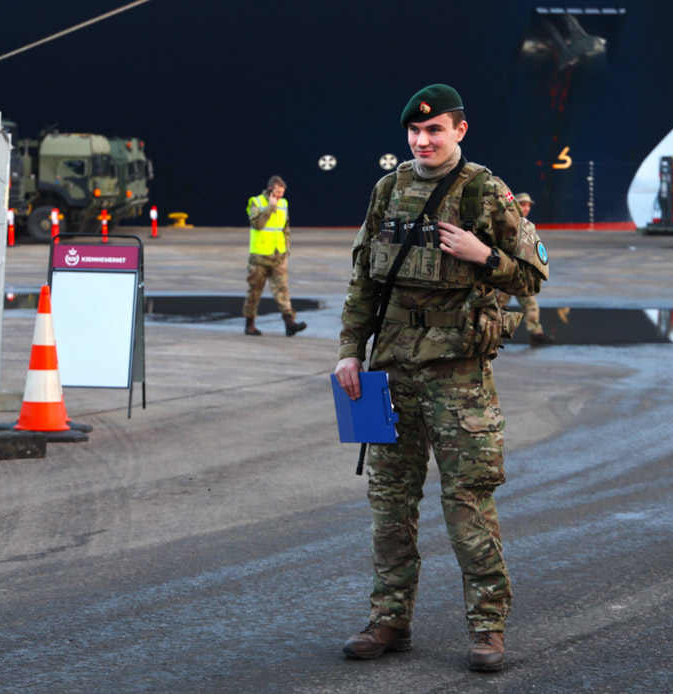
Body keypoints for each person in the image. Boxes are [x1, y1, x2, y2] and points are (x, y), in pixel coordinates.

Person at [334, 84, 550, 672]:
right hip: (392, 370)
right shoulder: (390, 189)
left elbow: (531, 279)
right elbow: (364, 281)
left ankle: (487, 629)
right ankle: (388, 620)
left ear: (460, 130)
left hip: (458, 375)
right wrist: (351, 351)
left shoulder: (486, 192)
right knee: (389, 503)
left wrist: (485, 256)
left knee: (467, 502)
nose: (422, 140)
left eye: (434, 130)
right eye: (414, 132)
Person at [243, 175, 306, 336]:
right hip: (260, 256)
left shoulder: (284, 204)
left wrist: (286, 249)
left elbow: (285, 228)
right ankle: (249, 324)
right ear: (270, 189)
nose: (280, 197)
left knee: (282, 289)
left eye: (282, 193)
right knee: (255, 290)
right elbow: (257, 224)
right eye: (277, 193)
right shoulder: (256, 202)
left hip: (278, 255)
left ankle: (289, 322)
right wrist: (270, 207)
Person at [496, 193, 553, 345]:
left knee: (530, 304)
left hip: (521, 273)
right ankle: (490, 336)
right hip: (507, 272)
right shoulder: (507, 221)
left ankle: (536, 334)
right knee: (497, 305)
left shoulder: (525, 223)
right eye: (522, 204)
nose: (526, 208)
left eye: (528, 205)